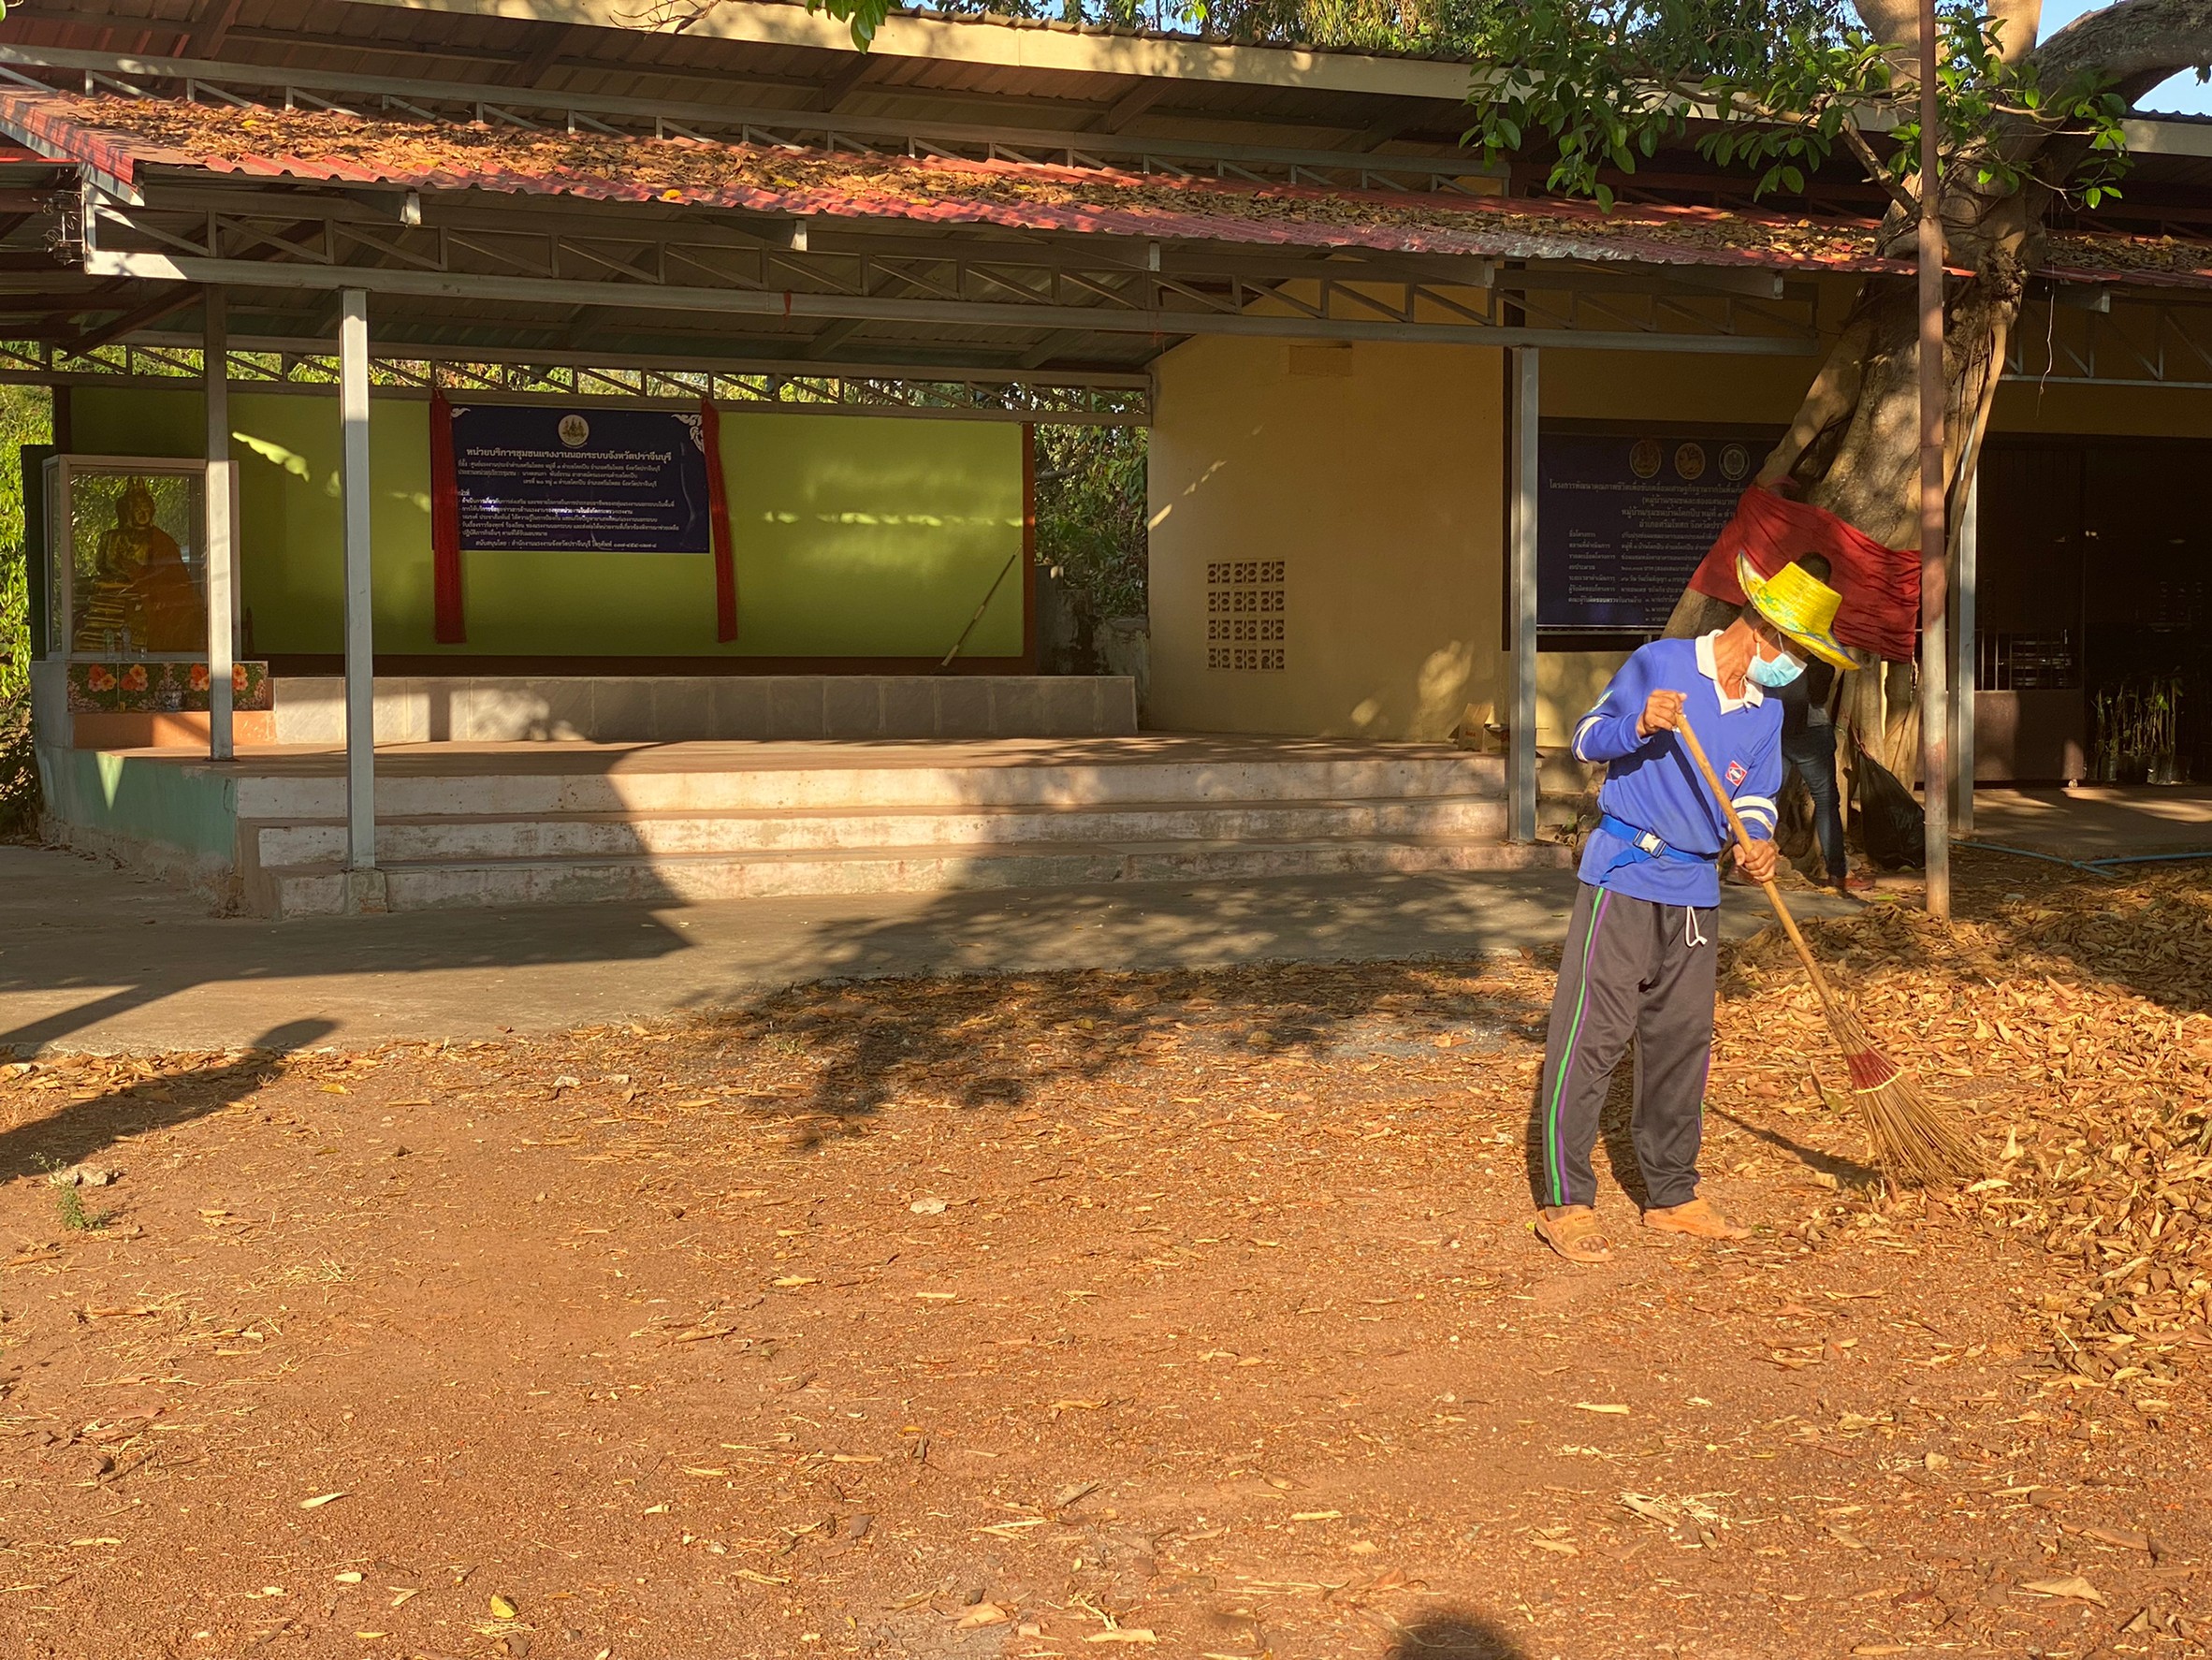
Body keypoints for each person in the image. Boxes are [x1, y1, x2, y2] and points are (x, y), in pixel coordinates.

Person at [1533, 554, 1855, 1265]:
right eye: (1800, 651)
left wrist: (1758, 843)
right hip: (1624, 875)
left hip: (1694, 891)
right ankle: (1566, 1200)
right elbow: (1587, 738)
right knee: (1592, 1036)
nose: (1798, 666)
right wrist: (1640, 723)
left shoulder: (1765, 711)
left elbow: (1754, 797)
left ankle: (1672, 1194)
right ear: (1766, 629)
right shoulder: (1662, 663)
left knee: (1681, 1043)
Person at [1770, 554, 1872, 896]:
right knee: (1827, 800)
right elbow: (1820, 686)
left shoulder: (1773, 613)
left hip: (1771, 720)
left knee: (1763, 797)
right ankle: (1837, 874)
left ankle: (1740, 864)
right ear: (1823, 584)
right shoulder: (1818, 621)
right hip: (1809, 726)